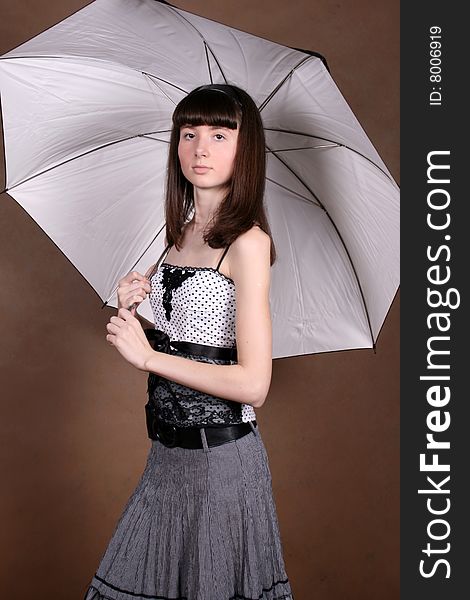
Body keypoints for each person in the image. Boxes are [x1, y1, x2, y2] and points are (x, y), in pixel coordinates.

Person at [83, 84, 294, 600]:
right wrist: (135, 308)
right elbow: (189, 338)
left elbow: (254, 383)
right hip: (167, 457)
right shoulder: (177, 231)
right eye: (189, 133)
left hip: (221, 464)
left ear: (246, 151)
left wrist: (148, 356)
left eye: (220, 135)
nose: (201, 148)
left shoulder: (249, 243)